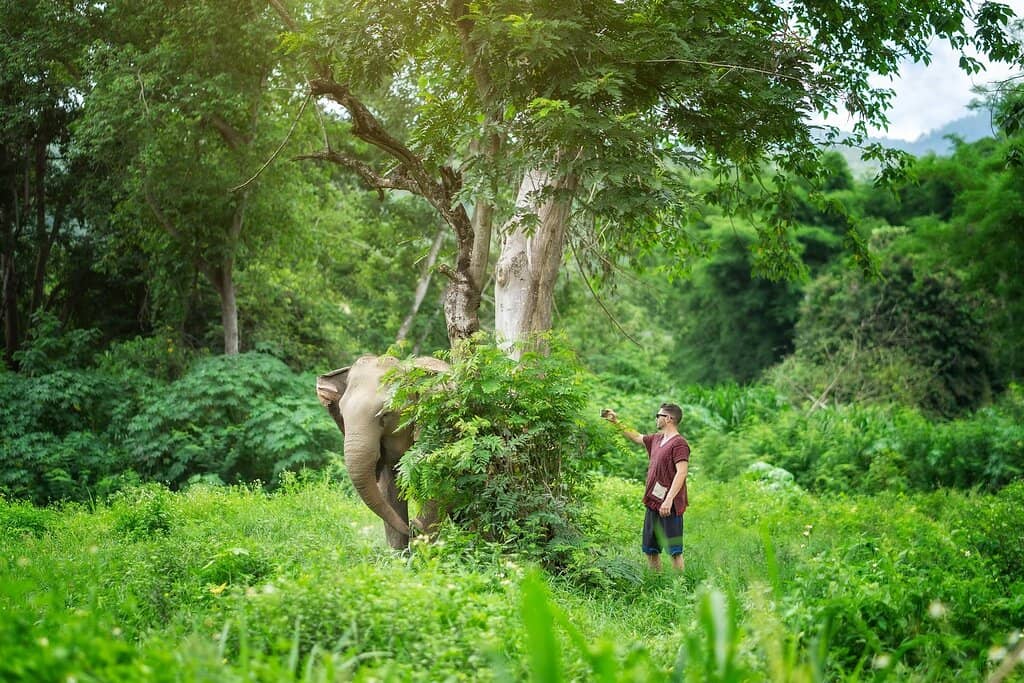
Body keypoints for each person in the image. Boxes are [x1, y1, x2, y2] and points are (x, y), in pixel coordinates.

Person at [602, 404, 690, 571]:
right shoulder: (657, 439)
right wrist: (615, 422)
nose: (656, 418)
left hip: (670, 505)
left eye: (659, 415)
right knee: (651, 548)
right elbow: (636, 437)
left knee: (674, 551)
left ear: (669, 418)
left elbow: (682, 473)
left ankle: (682, 589)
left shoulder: (679, 444)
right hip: (653, 501)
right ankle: (655, 583)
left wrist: (669, 499)